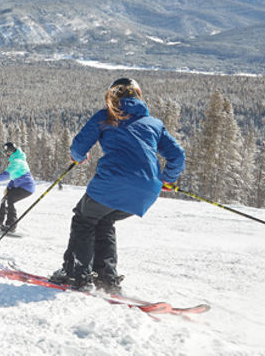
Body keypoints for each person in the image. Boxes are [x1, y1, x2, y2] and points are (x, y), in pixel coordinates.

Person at [49, 78, 185, 293]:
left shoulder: (106, 116)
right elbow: (177, 155)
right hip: (147, 191)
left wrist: (78, 157)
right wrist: (168, 180)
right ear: (138, 96)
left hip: (112, 183)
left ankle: (76, 274)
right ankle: (106, 278)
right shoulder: (154, 124)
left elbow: (78, 146)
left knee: (84, 219)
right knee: (103, 221)